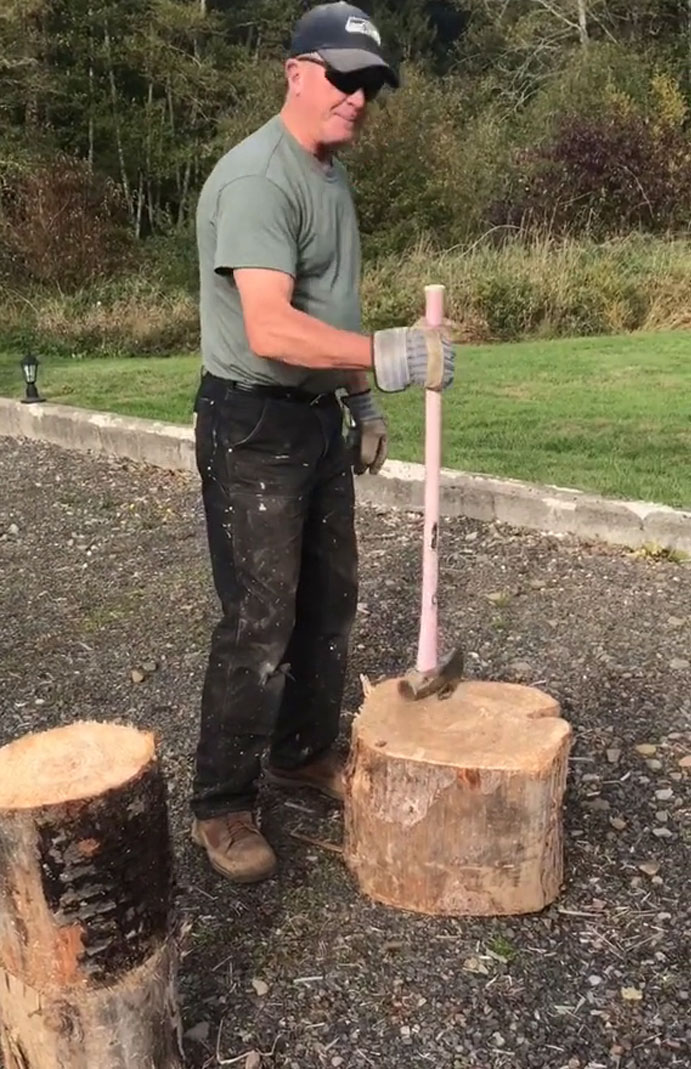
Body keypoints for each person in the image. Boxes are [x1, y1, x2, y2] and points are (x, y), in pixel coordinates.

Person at [191, 1, 455, 883]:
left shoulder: (330, 176)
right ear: (296, 72)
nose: (358, 98)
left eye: (370, 84)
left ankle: (300, 753)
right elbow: (271, 328)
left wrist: (361, 403)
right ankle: (221, 803)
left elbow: (329, 310)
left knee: (330, 601)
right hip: (253, 423)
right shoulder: (257, 179)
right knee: (260, 620)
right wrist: (388, 355)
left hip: (314, 418)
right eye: (343, 77)